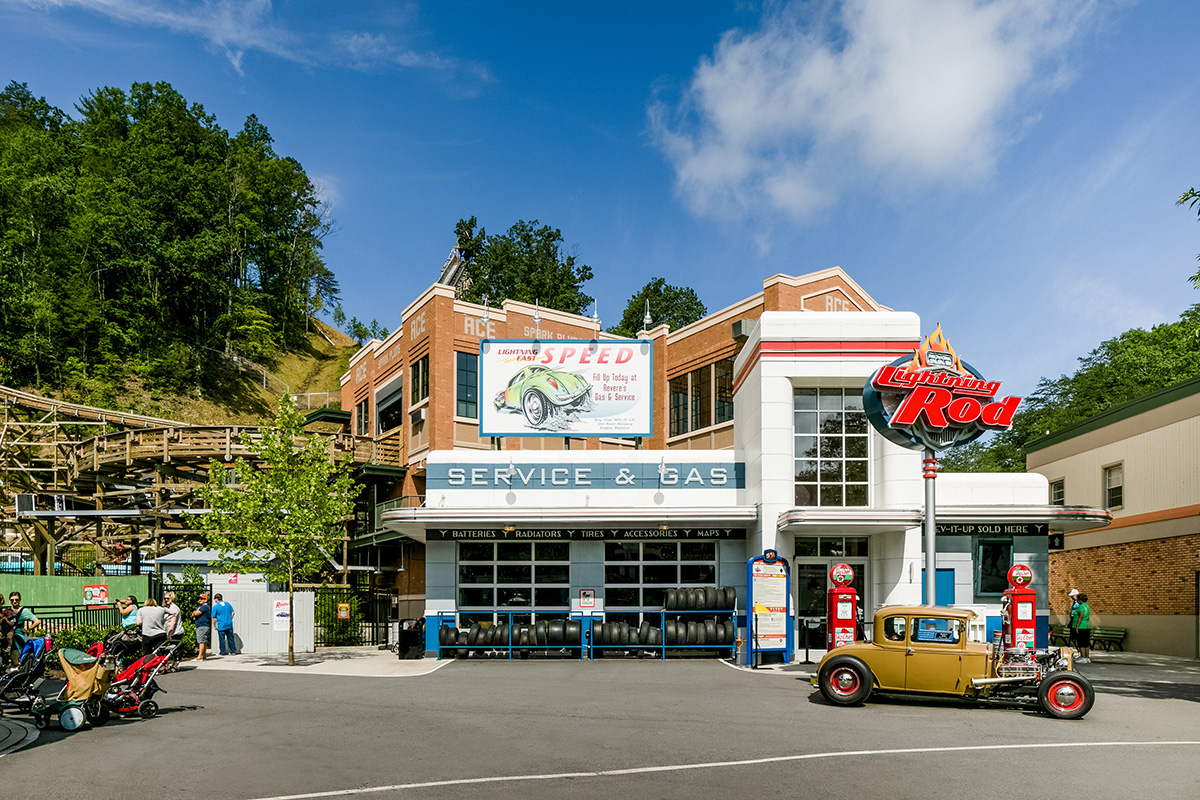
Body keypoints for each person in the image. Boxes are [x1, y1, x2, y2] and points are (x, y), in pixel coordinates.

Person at [9, 592, 40, 665]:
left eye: (16, 599)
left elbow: (36, 621)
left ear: (20, 600)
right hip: (9, 635)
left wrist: (28, 629)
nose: (14, 602)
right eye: (12, 600)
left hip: (17, 636)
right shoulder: (8, 610)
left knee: (16, 652)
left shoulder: (24, 611)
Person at [1072, 592, 1092, 663]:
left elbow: (1081, 616)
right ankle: (1086, 657)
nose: (1077, 600)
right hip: (1086, 626)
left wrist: (1077, 626)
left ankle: (1083, 657)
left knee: (1081, 642)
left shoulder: (1081, 607)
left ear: (1080, 600)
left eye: (1077, 599)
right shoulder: (1087, 606)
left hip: (1081, 627)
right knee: (1086, 643)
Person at [192, 593, 212, 661]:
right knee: (203, 641)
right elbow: (193, 614)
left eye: (202, 599)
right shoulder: (200, 607)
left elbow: (197, 613)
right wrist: (195, 612)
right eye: (199, 599)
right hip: (201, 625)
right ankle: (203, 656)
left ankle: (199, 656)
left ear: (206, 600)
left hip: (202, 625)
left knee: (201, 641)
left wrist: (195, 612)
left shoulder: (205, 607)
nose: (200, 600)